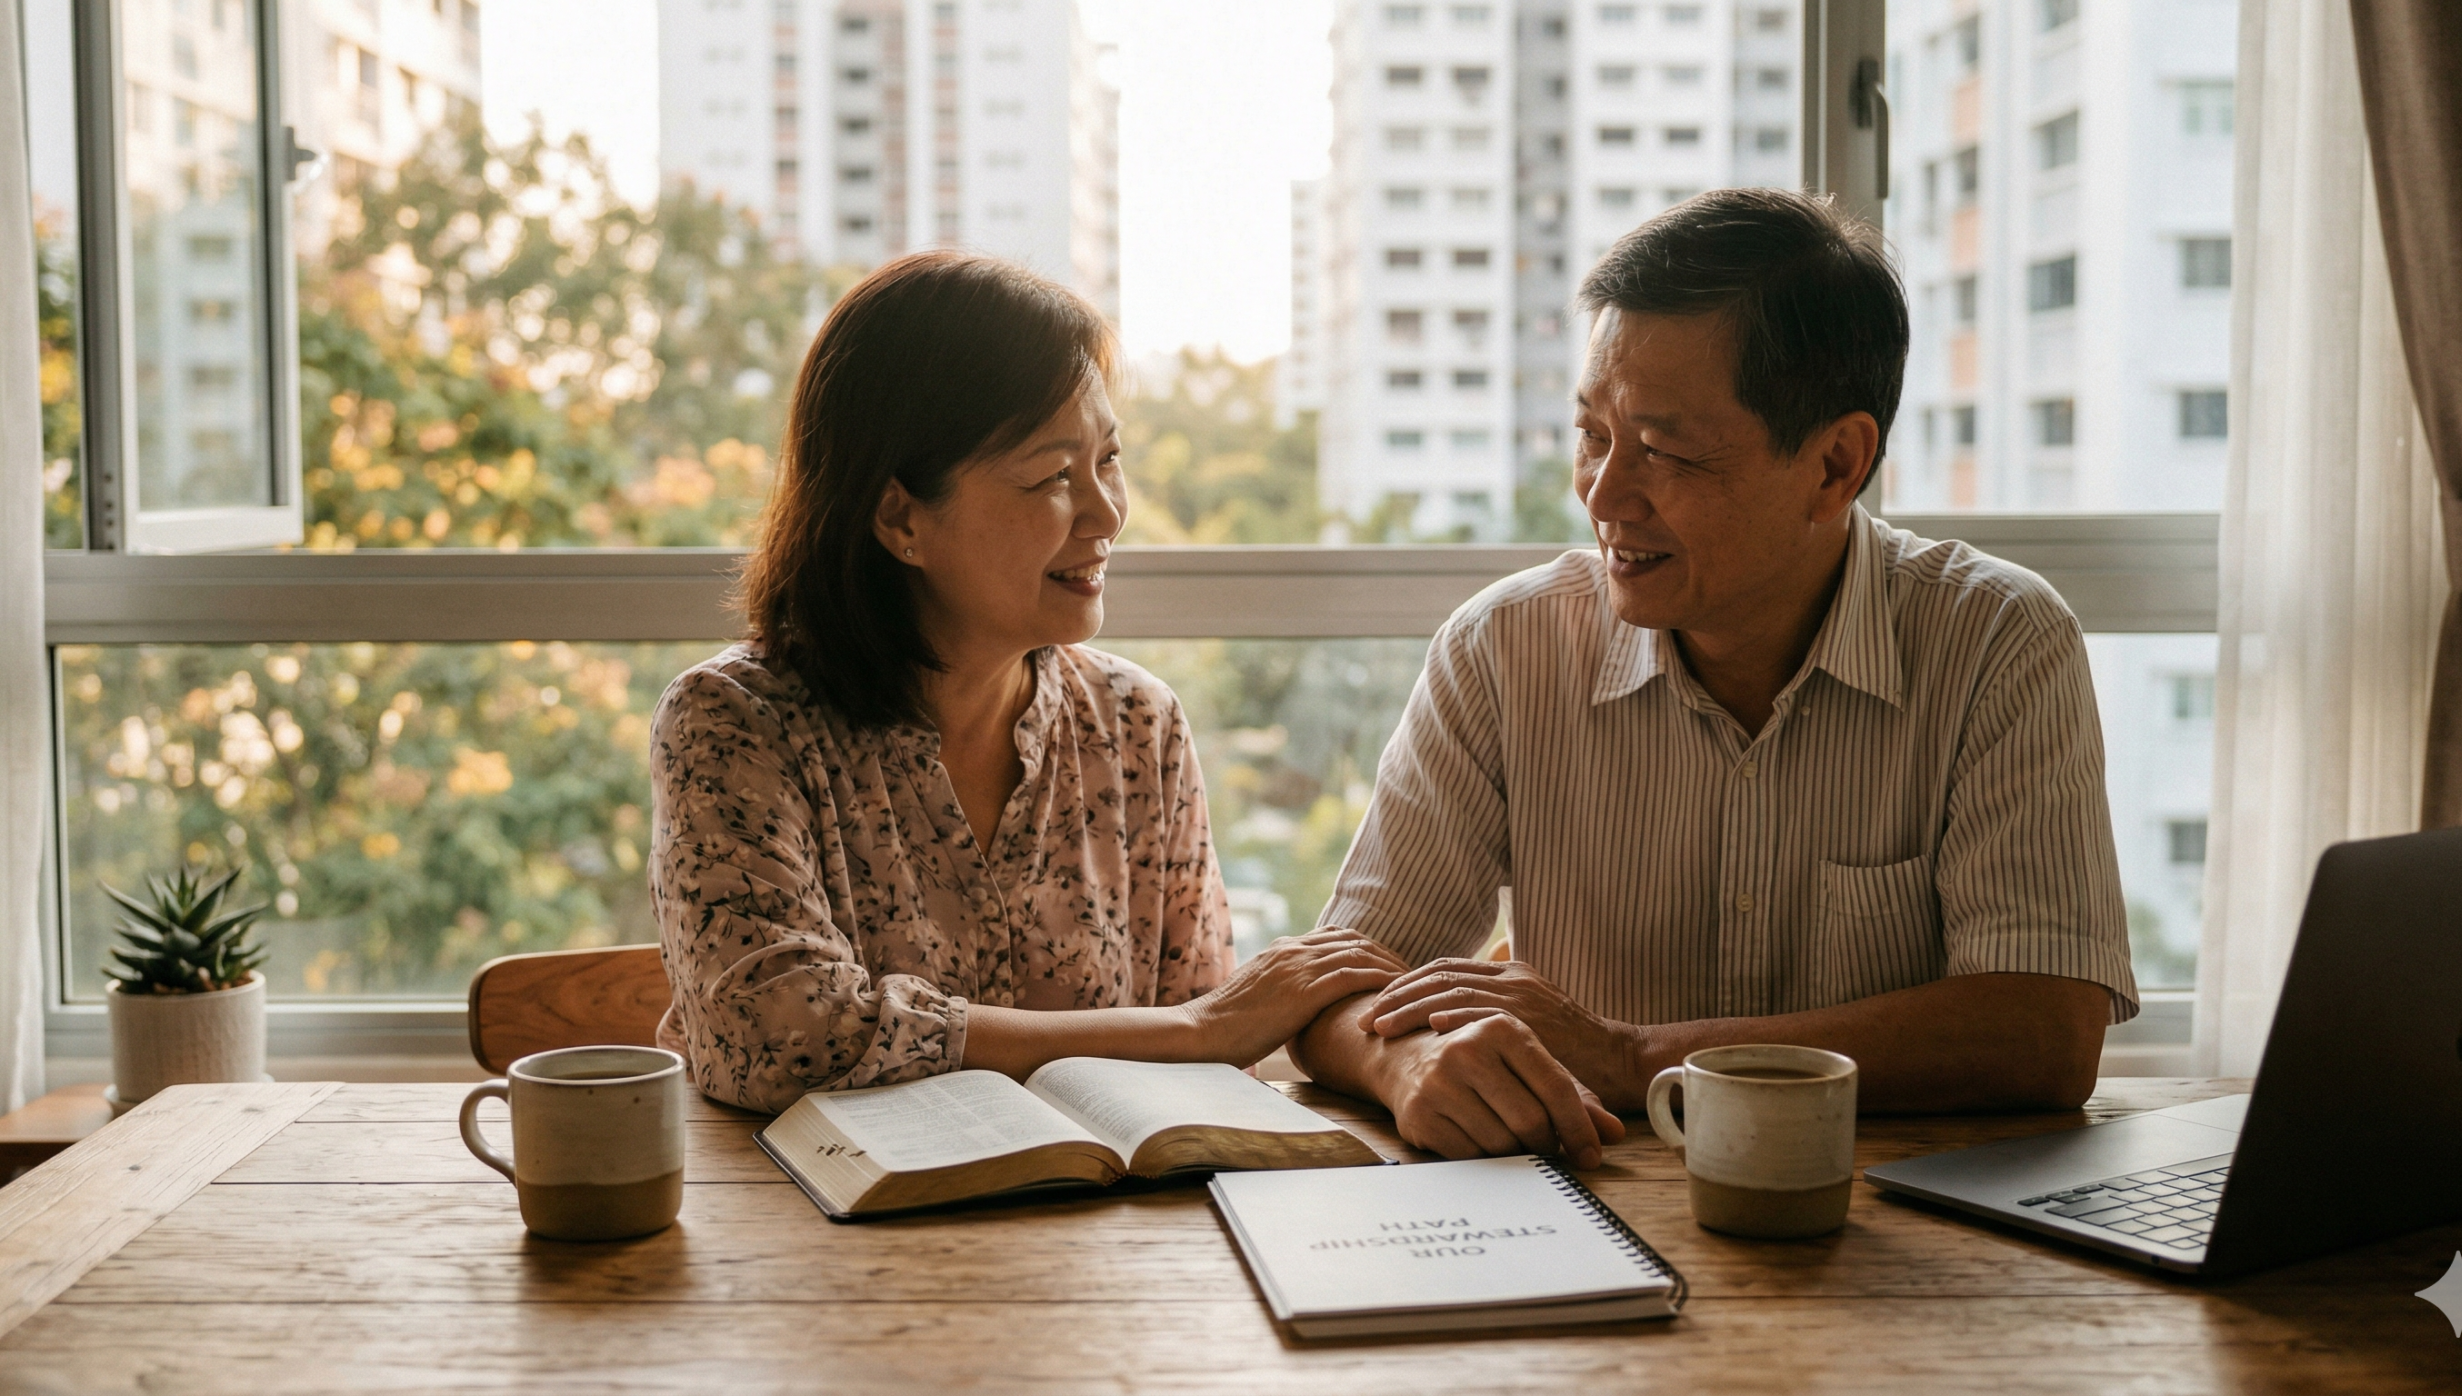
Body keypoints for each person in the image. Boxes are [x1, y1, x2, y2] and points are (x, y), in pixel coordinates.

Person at [1289, 188, 2141, 1169]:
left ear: (1833, 464)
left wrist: (1627, 1056)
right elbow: (1331, 989)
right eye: (1591, 434)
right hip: (1579, 1220)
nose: (1604, 495)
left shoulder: (1997, 640)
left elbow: (2042, 1030)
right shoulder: (1502, 650)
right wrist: (1403, 1067)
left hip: (1898, 1239)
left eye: (1662, 448)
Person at [652, 252, 1400, 1113]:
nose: (1107, 513)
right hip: (809, 1231)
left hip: (1096, 1236)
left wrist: (1207, 1033)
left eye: (1108, 461)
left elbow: (1206, 1076)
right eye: (1052, 476)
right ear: (900, 517)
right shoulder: (734, 722)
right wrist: (1196, 1031)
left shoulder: (1136, 726)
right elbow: (778, 1038)